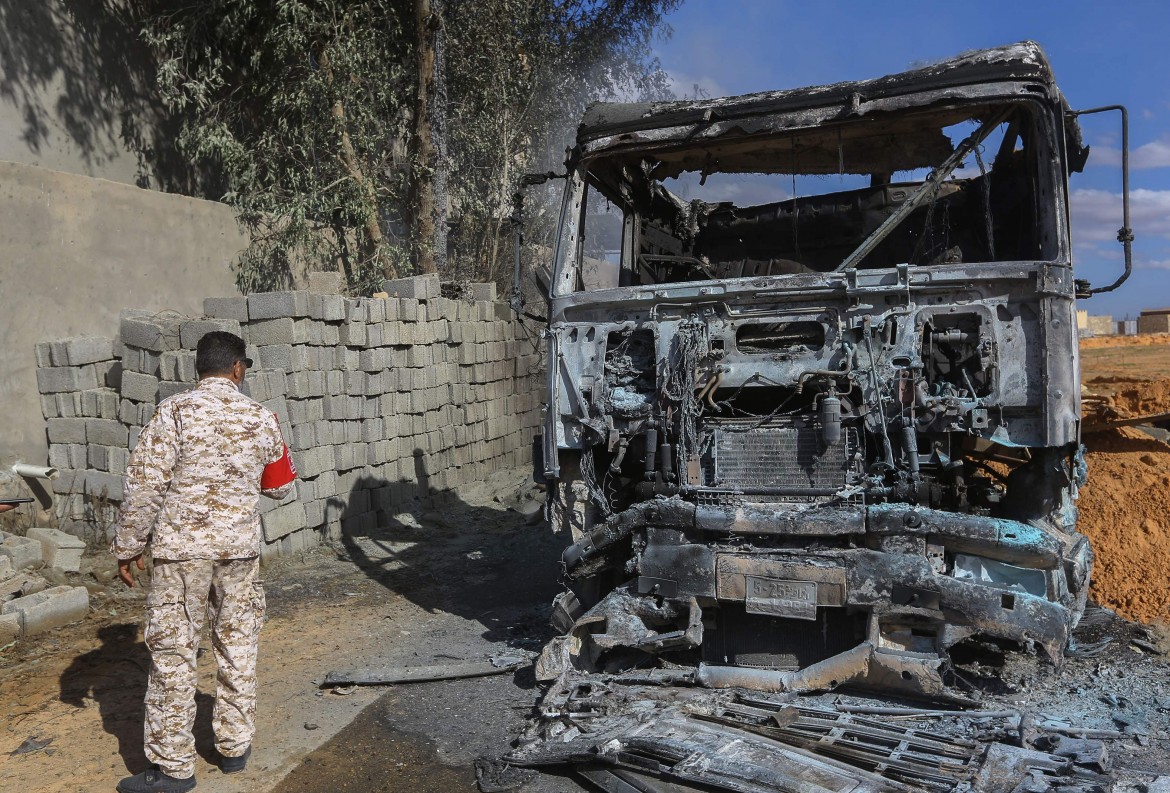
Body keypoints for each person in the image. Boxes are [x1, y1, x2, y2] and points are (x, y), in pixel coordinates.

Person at [112, 331, 297, 793]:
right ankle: (234, 747)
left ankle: (174, 768)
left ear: (199, 369)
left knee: (174, 654)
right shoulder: (261, 417)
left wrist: (128, 546)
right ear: (238, 368)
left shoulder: (172, 412)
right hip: (238, 554)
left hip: (181, 555)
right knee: (236, 645)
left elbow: (145, 486)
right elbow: (280, 487)